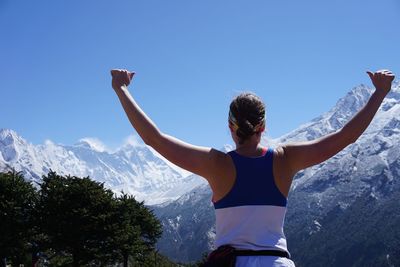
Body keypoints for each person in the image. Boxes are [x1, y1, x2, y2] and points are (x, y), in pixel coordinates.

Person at [110, 69, 395, 267]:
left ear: (230, 127)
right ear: (264, 127)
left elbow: (154, 139)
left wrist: (121, 88)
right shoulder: (286, 159)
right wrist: (379, 94)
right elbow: (345, 136)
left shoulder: (216, 164)